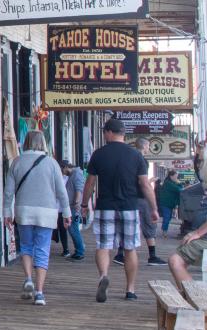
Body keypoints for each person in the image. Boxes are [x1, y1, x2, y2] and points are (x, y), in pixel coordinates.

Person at [80, 117, 159, 303]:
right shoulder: (136, 155)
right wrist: (153, 208)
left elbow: (90, 183)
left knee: (103, 245)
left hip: (105, 205)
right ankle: (130, 289)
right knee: (130, 248)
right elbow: (145, 185)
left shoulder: (99, 154)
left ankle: (104, 276)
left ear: (108, 132)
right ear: (123, 134)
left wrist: (84, 205)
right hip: (129, 206)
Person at [4, 130, 71, 306]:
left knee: (26, 247)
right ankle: (39, 293)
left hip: (23, 211)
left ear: (25, 142)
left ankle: (28, 279)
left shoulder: (16, 162)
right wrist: (67, 213)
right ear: (43, 143)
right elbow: (61, 192)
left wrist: (7, 213)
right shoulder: (51, 163)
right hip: (46, 213)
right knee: (42, 249)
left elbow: (8, 192)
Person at [112, 138, 164, 267]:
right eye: (148, 146)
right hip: (141, 197)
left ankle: (120, 254)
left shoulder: (125, 159)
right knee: (149, 225)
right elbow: (142, 182)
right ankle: (152, 256)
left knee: (127, 225)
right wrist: (154, 206)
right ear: (145, 146)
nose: (148, 148)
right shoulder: (142, 160)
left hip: (127, 196)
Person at [169, 156, 207, 284]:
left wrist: (197, 233)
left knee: (175, 261)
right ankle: (193, 295)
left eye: (201, 162)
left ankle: (195, 297)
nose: (198, 166)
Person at [61, 160, 86, 260]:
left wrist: (76, 203)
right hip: (71, 206)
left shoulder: (76, 174)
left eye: (62, 170)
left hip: (74, 207)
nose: (62, 173)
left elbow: (78, 190)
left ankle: (79, 252)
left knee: (73, 229)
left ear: (66, 167)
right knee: (72, 229)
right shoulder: (73, 175)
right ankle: (78, 250)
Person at [157, 171, 183, 236]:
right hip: (166, 203)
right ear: (171, 176)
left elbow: (179, 189)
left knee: (168, 217)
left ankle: (164, 229)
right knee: (167, 217)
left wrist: (179, 184)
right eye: (175, 176)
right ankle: (164, 231)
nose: (176, 178)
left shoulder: (171, 182)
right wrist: (179, 183)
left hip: (169, 204)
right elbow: (179, 189)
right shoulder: (168, 183)